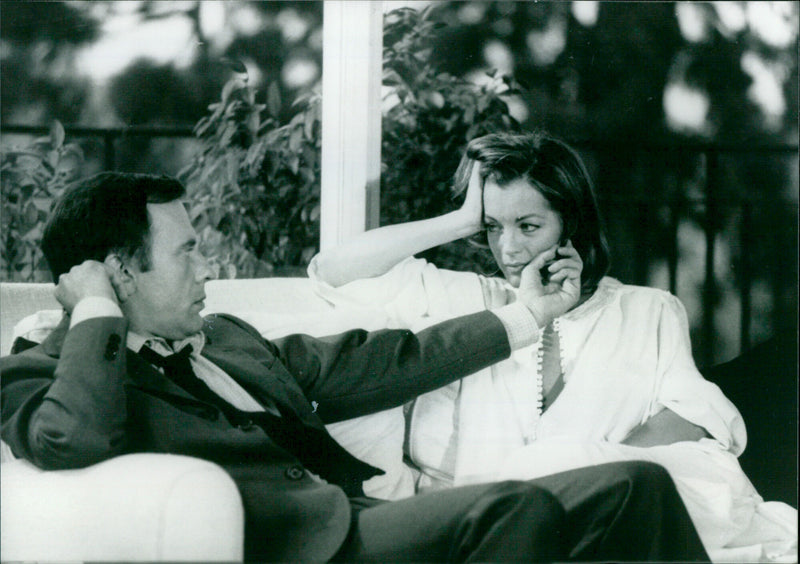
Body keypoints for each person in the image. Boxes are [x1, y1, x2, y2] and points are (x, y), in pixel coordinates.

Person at [0, 171, 711, 562]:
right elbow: (74, 441)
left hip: (363, 520)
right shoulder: (37, 374)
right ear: (121, 271)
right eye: (187, 250)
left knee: (634, 485)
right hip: (299, 547)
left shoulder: (226, 340)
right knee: (511, 507)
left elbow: (387, 361)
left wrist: (528, 316)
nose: (204, 265)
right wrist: (95, 311)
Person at [309, 131, 798, 562]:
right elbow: (331, 271)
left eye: (528, 226)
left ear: (571, 223)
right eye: (493, 227)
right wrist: (460, 221)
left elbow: (692, 415)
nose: (509, 249)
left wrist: (582, 479)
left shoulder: (647, 309)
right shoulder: (465, 299)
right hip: (480, 537)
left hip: (599, 526)